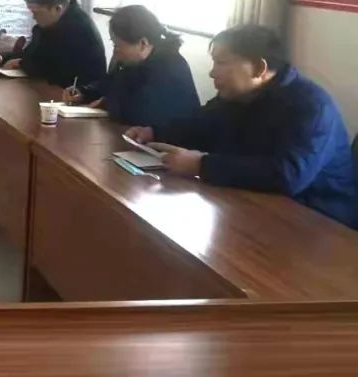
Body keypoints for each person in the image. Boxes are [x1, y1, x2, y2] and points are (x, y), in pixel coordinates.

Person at [126, 25, 358, 229]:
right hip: (257, 204)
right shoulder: (238, 95)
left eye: (221, 63)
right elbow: (199, 123)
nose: (212, 72)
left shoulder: (312, 106)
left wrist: (201, 164)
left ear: (258, 68)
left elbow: (287, 175)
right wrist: (154, 132)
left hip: (320, 221)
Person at [63, 4, 200, 128]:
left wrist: (107, 102)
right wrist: (84, 92)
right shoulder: (134, 62)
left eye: (118, 45)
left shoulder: (170, 68)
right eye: (114, 44)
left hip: (167, 144)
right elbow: (110, 83)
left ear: (143, 44)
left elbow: (141, 114)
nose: (116, 51)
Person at [0, 0, 106, 88]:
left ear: (57, 8)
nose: (34, 17)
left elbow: (50, 69)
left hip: (76, 95)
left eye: (37, 13)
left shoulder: (77, 28)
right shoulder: (52, 22)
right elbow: (30, 54)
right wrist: (1, 58)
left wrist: (21, 63)